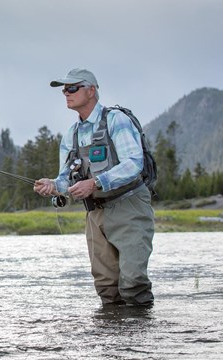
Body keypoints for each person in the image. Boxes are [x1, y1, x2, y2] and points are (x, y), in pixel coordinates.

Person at [34, 68, 154, 307]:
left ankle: (142, 342)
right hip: (95, 214)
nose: (66, 93)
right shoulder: (71, 134)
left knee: (133, 284)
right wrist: (52, 186)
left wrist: (96, 182)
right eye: (64, 90)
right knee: (106, 288)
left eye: (72, 88)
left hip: (128, 206)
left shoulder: (115, 119)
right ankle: (114, 343)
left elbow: (134, 163)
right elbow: (65, 179)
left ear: (91, 90)